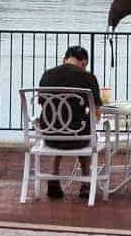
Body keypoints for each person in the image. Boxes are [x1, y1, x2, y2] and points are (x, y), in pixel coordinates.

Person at [38, 45, 102, 199]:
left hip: (50, 137)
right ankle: (86, 182)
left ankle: (53, 177)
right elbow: (96, 115)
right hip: (78, 139)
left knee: (60, 123)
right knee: (83, 127)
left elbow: (43, 104)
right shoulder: (88, 78)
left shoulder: (47, 75)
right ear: (84, 62)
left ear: (64, 59)